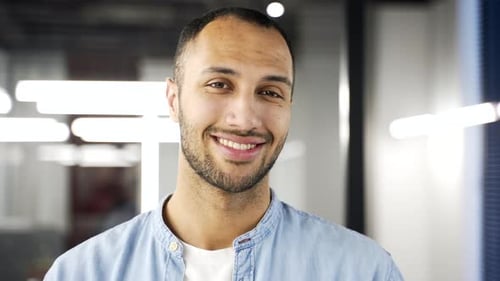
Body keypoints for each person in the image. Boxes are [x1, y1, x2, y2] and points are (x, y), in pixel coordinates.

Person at [44, 7, 404, 281]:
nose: (245, 118)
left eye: (270, 92)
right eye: (219, 84)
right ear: (173, 100)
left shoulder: (359, 270)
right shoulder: (83, 272)